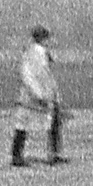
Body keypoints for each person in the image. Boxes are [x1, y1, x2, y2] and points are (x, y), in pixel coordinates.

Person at [11, 25, 64, 167]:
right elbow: (35, 75)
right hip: (34, 96)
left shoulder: (33, 52)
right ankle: (18, 156)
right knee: (24, 124)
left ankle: (52, 153)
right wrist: (40, 94)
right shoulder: (37, 53)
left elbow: (44, 75)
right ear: (42, 38)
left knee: (44, 123)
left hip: (38, 94)